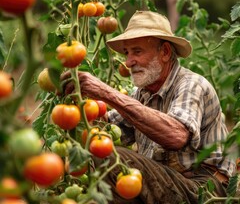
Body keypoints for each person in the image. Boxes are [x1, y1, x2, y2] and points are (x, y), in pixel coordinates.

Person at [63, 11, 236, 203]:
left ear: (165, 52)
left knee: (111, 158)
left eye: (137, 51)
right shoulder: (144, 93)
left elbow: (177, 135)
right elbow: (108, 126)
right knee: (95, 153)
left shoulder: (191, 84)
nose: (128, 62)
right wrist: (77, 106)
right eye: (127, 53)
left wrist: (107, 93)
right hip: (168, 181)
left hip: (204, 189)